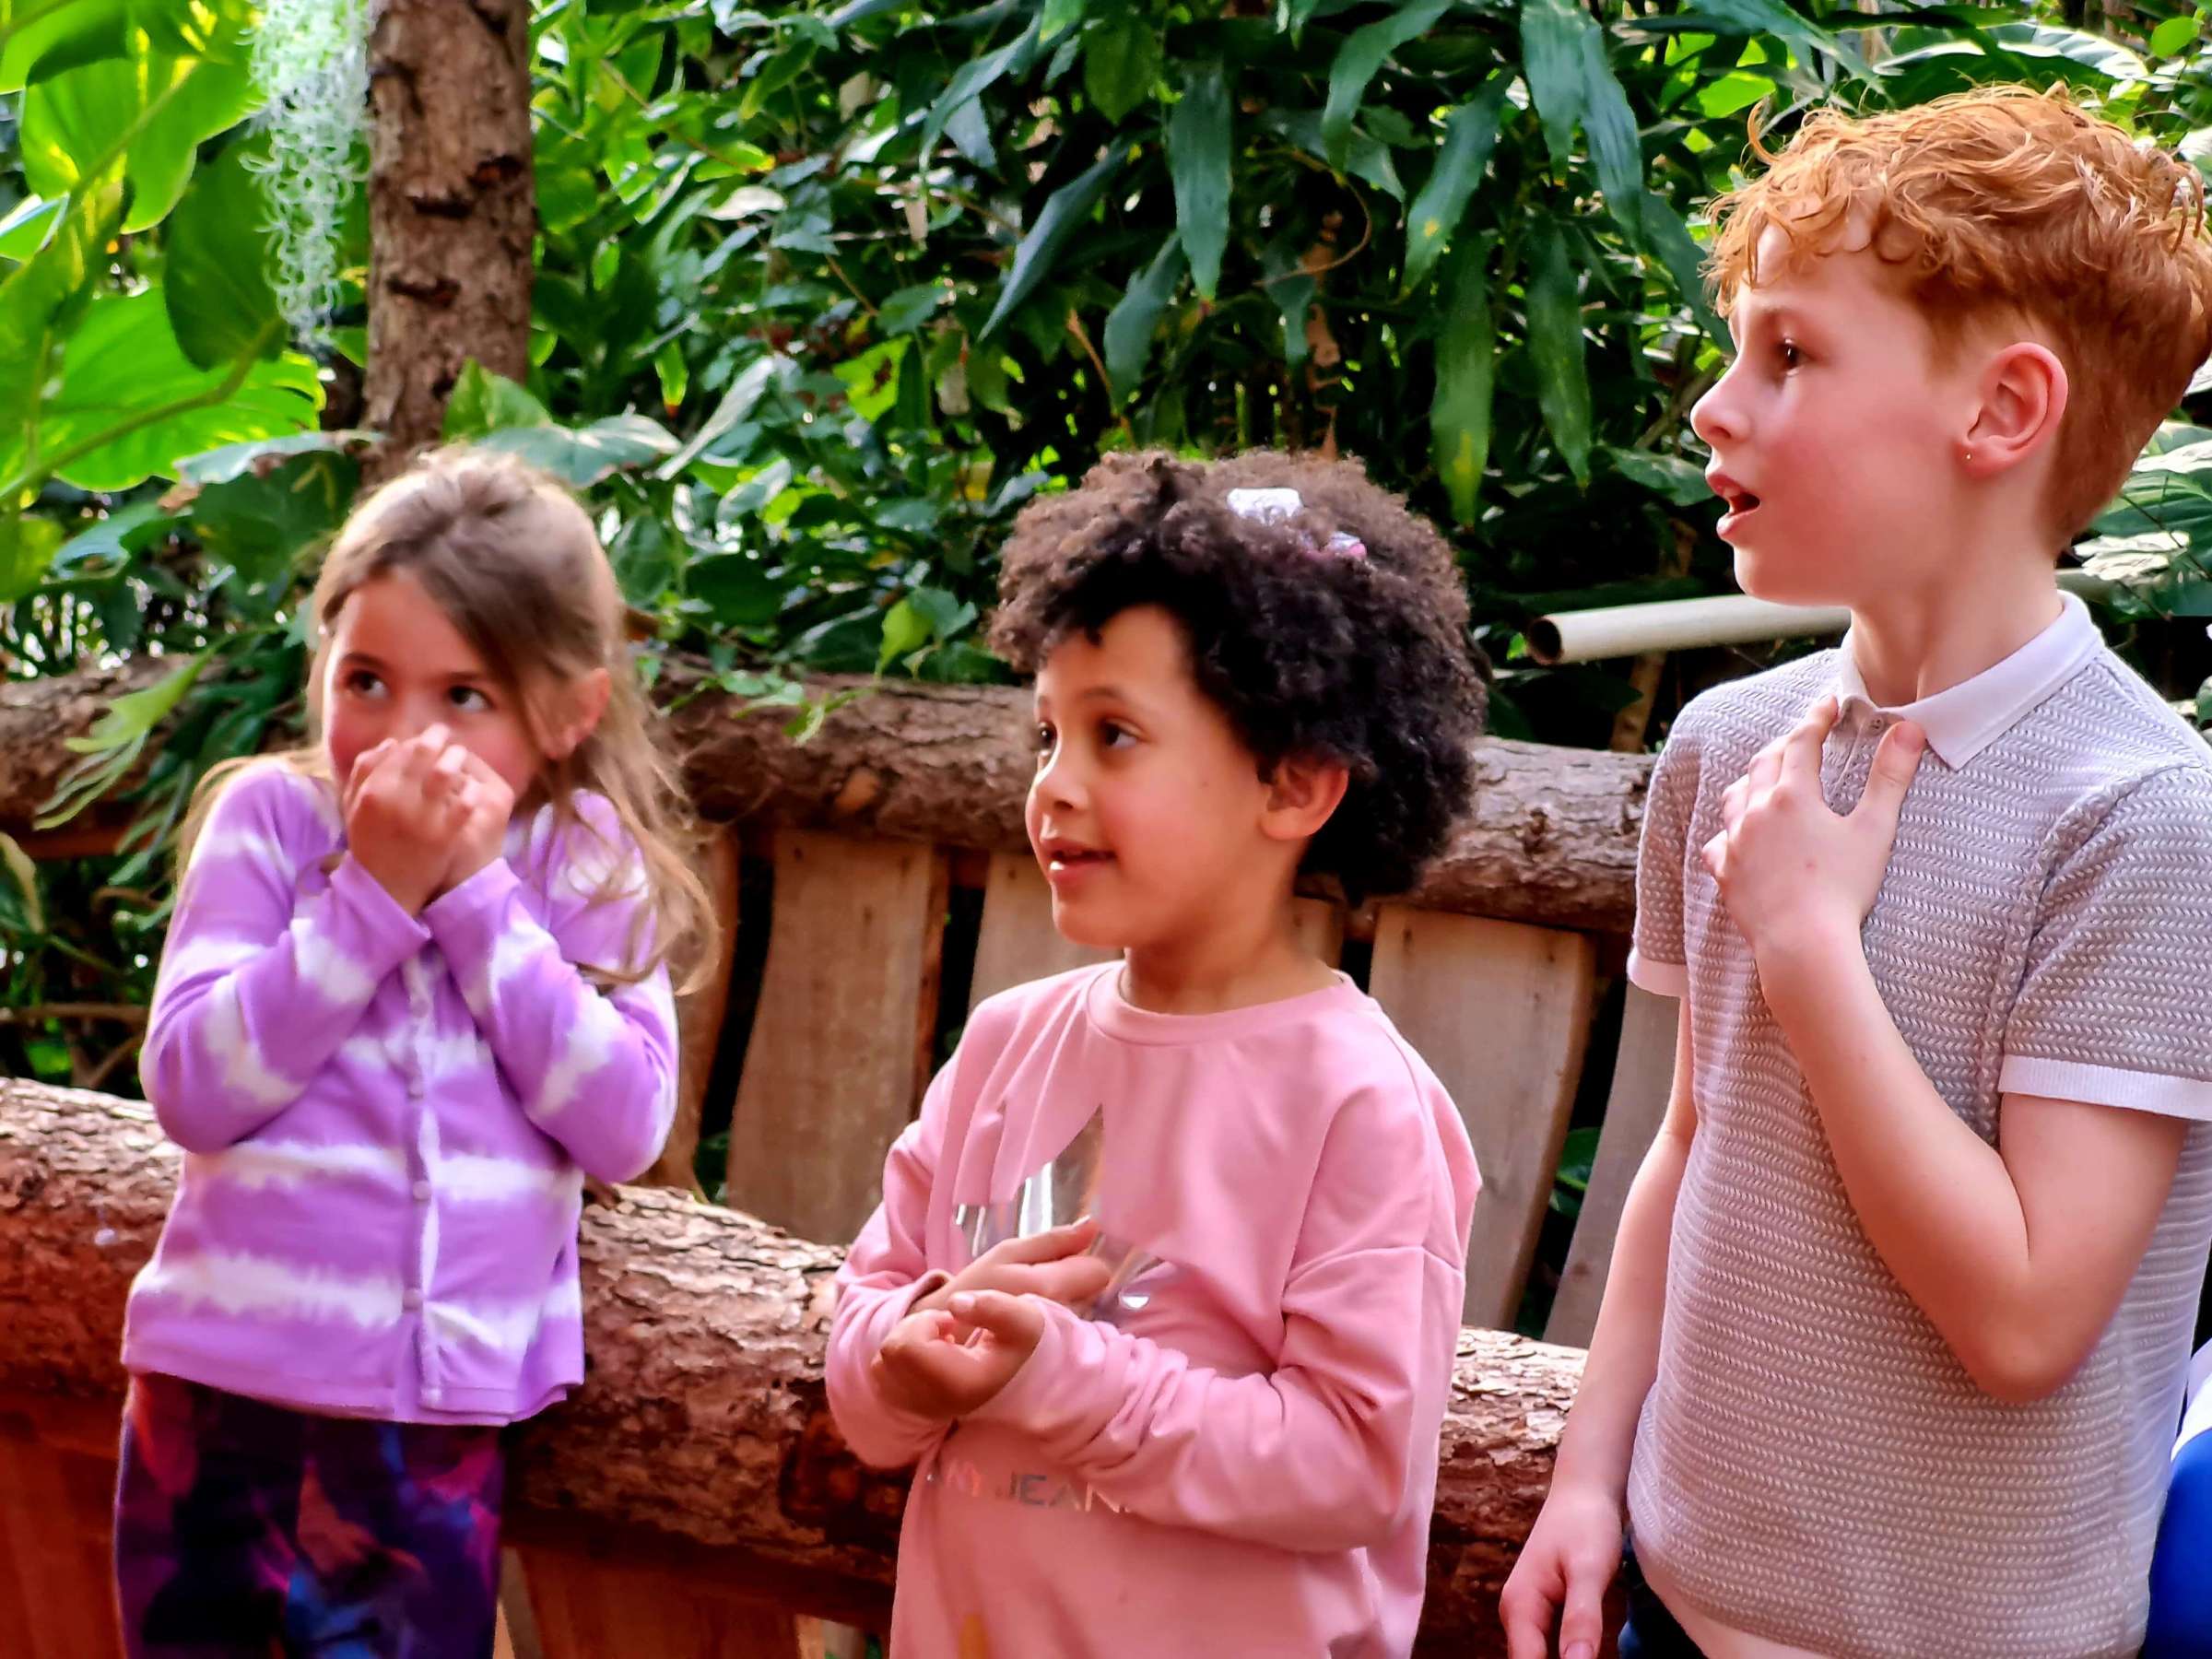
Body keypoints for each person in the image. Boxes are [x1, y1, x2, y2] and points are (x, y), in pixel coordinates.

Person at [1500, 87, 2212, 1659]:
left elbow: (2025, 1320)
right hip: (1672, 1613)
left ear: (2004, 412)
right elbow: (1692, 1146)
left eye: (1791, 354)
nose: (1713, 406)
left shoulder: (2145, 818)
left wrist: (1814, 947)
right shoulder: (1728, 748)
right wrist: (1589, 1479)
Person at [826, 450, 1486, 1656]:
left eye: (1115, 735)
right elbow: (870, 1334)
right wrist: (906, 1360)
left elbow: (1355, 1468)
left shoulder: (1361, 1104)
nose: (1053, 788)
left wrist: (1054, 1381)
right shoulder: (1003, 1049)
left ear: (1293, 786)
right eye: (1048, 734)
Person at [113, 448, 713, 1657]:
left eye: (465, 698)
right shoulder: (276, 826)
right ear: (323, 662)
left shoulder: (580, 863)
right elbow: (192, 1085)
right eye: (368, 681)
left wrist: (477, 897)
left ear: (569, 712)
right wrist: (370, 897)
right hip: (214, 1409)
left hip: (432, 1436)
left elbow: (625, 1123)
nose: (402, 735)